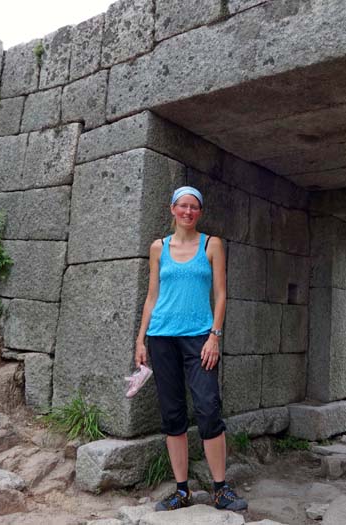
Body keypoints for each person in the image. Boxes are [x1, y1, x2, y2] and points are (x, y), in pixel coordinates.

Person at [134, 186, 247, 512]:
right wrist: (141, 340)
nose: (188, 211)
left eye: (194, 207)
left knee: (208, 408)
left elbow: (222, 294)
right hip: (161, 337)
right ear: (172, 209)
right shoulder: (159, 247)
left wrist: (215, 336)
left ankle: (220, 489)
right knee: (172, 414)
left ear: (199, 212)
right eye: (182, 206)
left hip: (199, 337)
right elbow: (152, 296)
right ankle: (181, 490)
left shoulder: (212, 244)